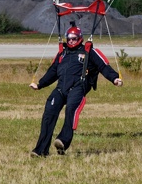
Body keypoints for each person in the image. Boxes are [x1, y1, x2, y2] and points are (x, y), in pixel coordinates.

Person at [29, 24, 123, 157]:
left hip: (79, 86)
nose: (71, 41)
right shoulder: (62, 53)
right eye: (69, 39)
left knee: (71, 109)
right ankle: (41, 150)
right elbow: (53, 71)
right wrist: (40, 84)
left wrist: (114, 79)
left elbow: (104, 66)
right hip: (61, 88)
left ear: (79, 38)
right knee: (49, 113)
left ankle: (63, 140)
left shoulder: (89, 51)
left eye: (74, 38)